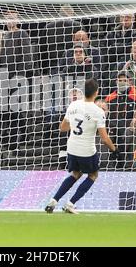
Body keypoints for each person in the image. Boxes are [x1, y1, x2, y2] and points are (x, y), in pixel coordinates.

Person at [45, 78, 118, 214]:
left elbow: (63, 128)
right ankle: (70, 204)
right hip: (87, 150)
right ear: (96, 93)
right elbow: (104, 138)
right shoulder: (98, 112)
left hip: (72, 148)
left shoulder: (73, 105)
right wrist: (114, 150)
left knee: (76, 174)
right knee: (93, 175)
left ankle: (53, 201)